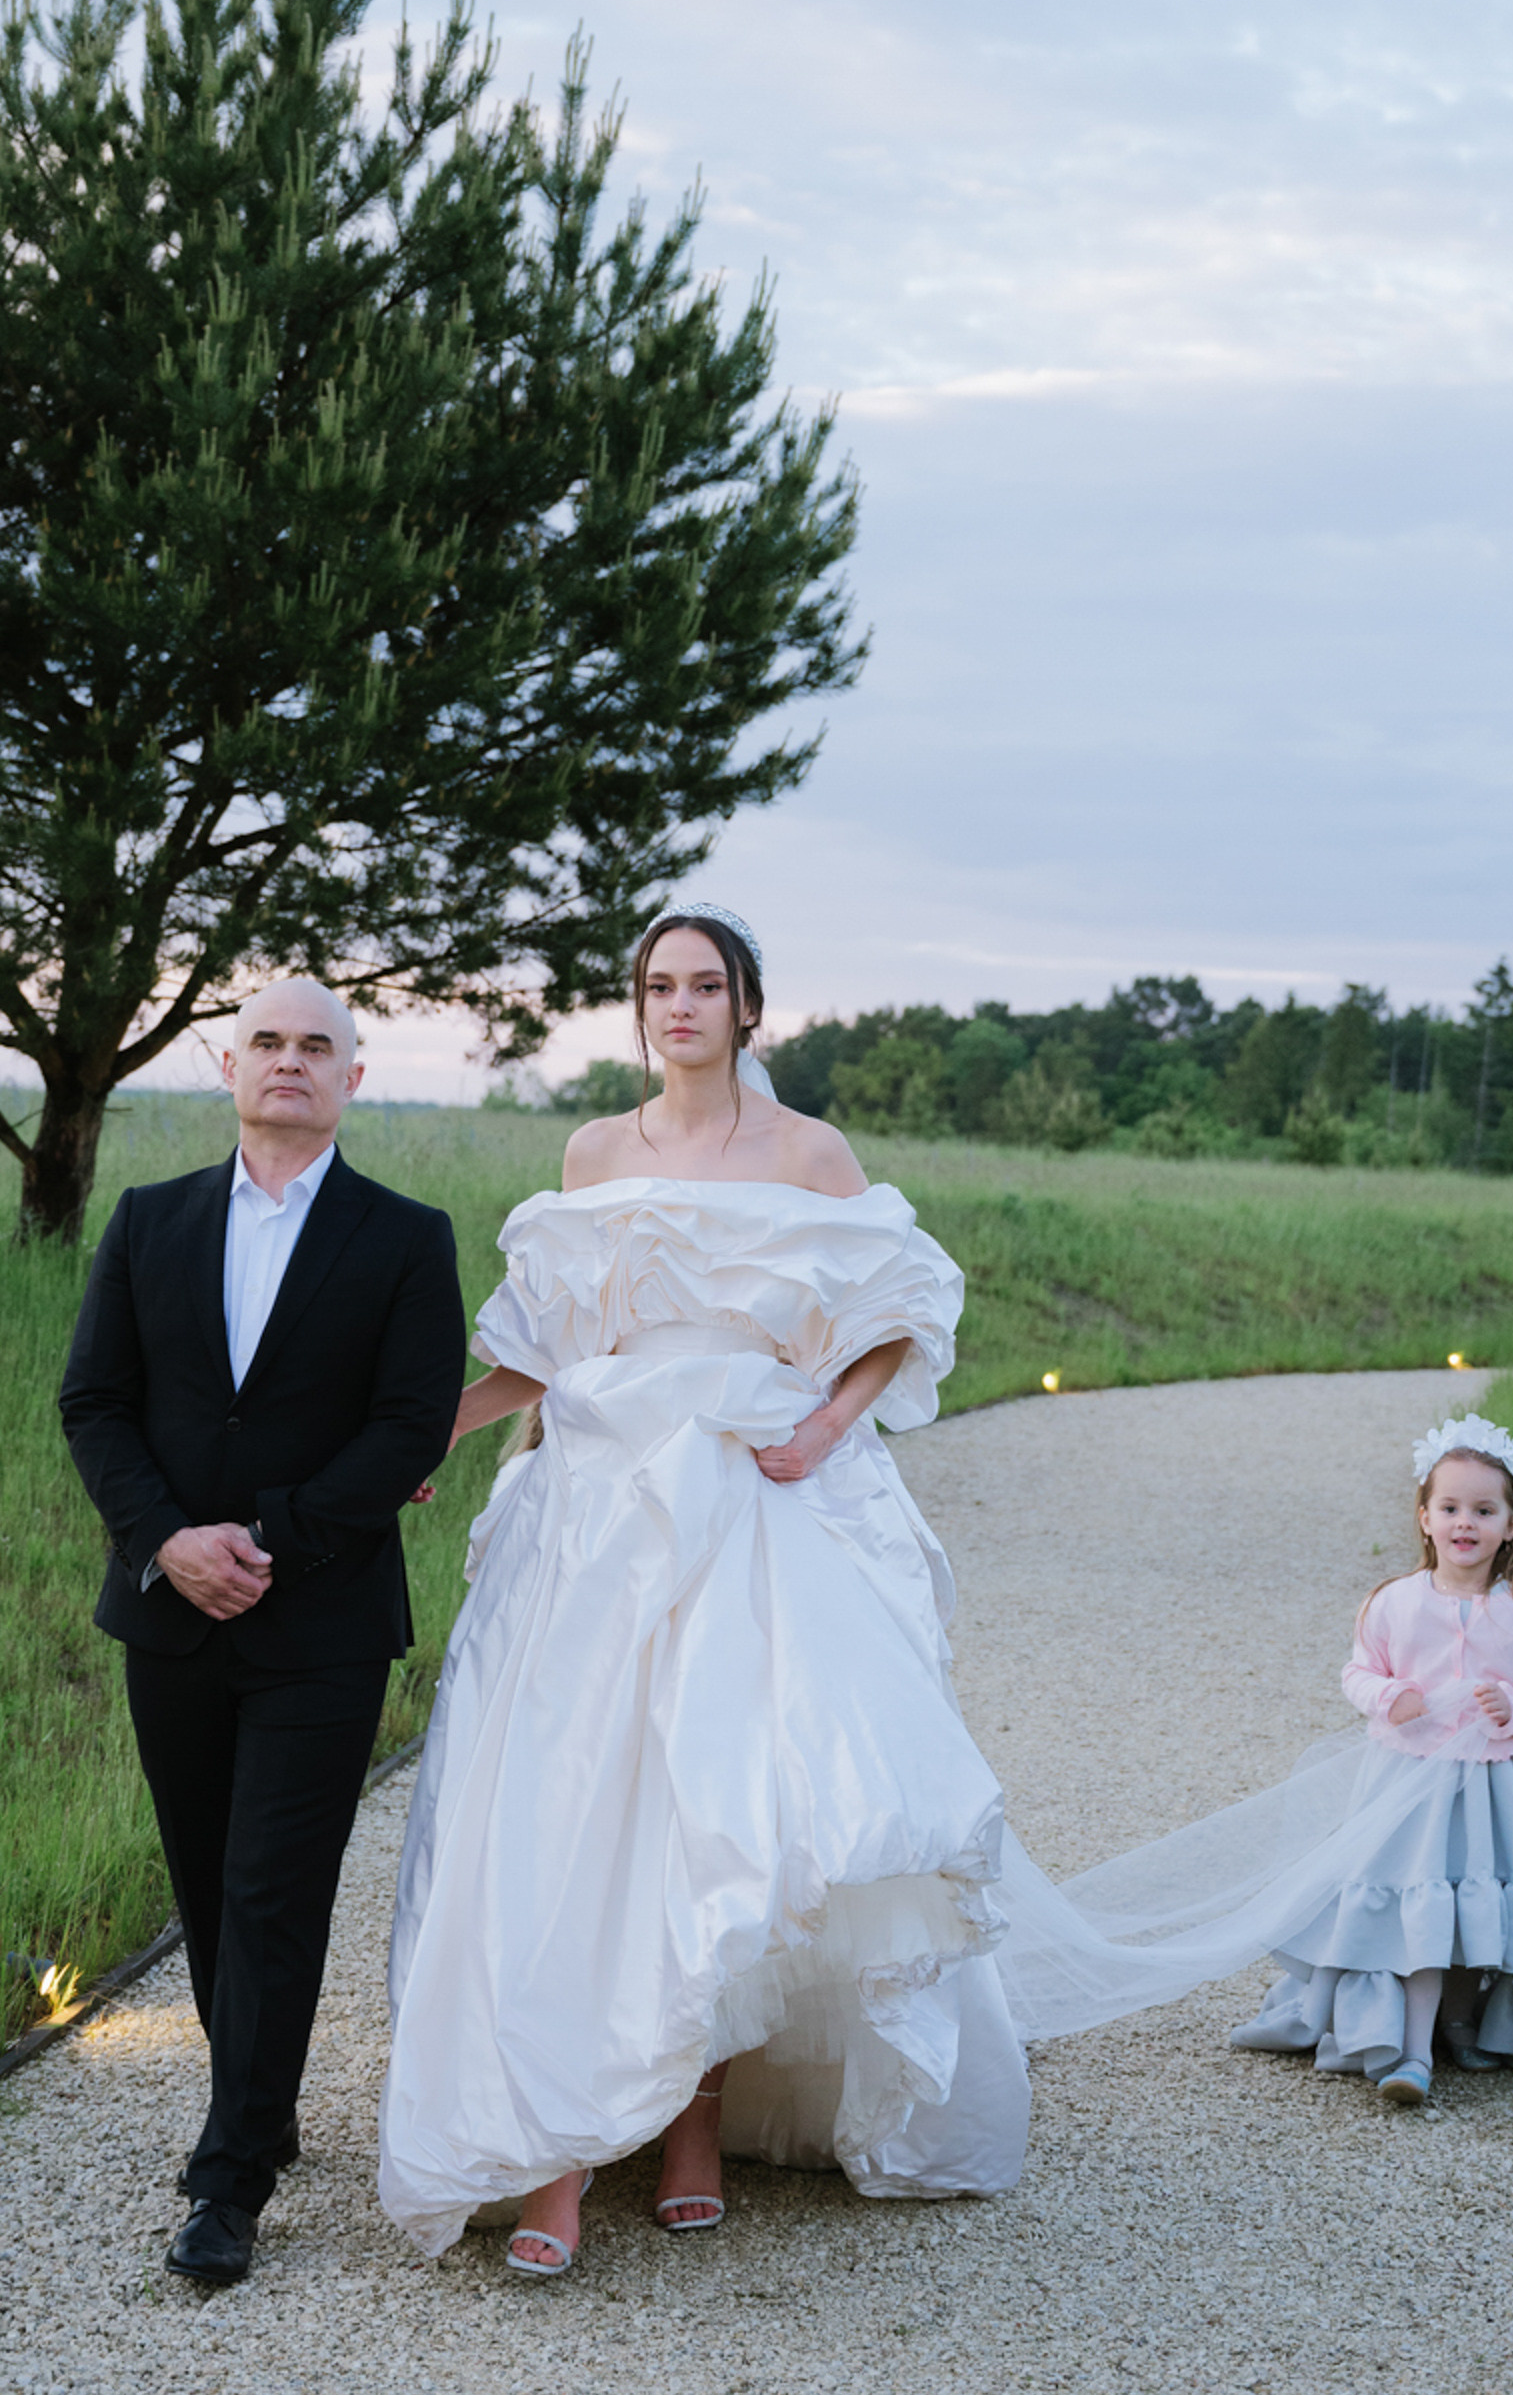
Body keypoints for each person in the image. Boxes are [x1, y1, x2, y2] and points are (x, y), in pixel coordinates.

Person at [378, 904, 1037, 2272]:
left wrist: (821, 1431)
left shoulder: (807, 1152)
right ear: (639, 1008)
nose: (679, 1006)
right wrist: (426, 1431)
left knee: (718, 1808)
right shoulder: (594, 1151)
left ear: (749, 1008)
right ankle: (556, 2149)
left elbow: (898, 1314)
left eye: (705, 985)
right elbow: (554, 1348)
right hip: (599, 1502)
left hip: (751, 1492)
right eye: (657, 986)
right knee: (572, 1810)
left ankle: (692, 2117)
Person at [60, 979, 463, 2285]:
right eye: (269, 1044)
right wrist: (168, 1541)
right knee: (206, 1893)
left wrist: (270, 1540)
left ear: (354, 1077)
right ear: (229, 1066)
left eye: (318, 1047)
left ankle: (230, 2179)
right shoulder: (148, 1220)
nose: (291, 1063)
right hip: (168, 1614)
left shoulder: (407, 1239)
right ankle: (263, 2105)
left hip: (324, 1623)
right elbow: (96, 1404)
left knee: (272, 1889)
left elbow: (409, 1425)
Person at [1226, 1416, 1513, 2104]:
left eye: (1484, 1510)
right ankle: (1409, 2053)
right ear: (1424, 1518)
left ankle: (1461, 2021)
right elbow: (1358, 1672)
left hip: (1502, 1786)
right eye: (1450, 1508)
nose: (1466, 1523)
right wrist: (1390, 1695)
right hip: (1413, 1782)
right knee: (1423, 1905)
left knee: (1477, 1905)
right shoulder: (1394, 1602)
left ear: (1511, 1525)